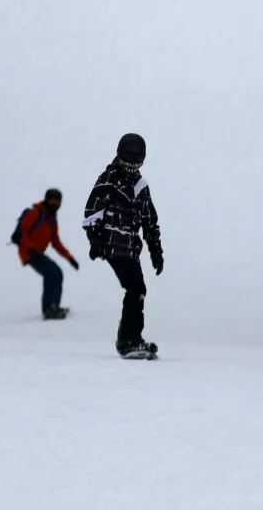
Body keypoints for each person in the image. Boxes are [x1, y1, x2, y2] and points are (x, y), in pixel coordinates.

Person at [83, 133, 165, 359]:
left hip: (130, 247)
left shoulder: (140, 186)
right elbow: (93, 210)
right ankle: (129, 339)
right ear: (119, 155)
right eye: (128, 160)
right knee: (136, 289)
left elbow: (149, 220)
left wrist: (155, 249)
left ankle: (129, 338)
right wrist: (95, 239)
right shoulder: (109, 178)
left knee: (137, 290)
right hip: (112, 242)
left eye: (136, 161)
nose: (131, 166)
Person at [15, 188, 79, 320]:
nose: (55, 204)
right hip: (29, 252)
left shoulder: (51, 219)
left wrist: (70, 258)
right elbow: (22, 232)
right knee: (51, 273)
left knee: (57, 273)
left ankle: (53, 306)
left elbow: (56, 242)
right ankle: (49, 310)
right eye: (52, 201)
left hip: (37, 253)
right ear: (46, 200)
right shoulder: (36, 213)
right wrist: (30, 248)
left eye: (57, 202)